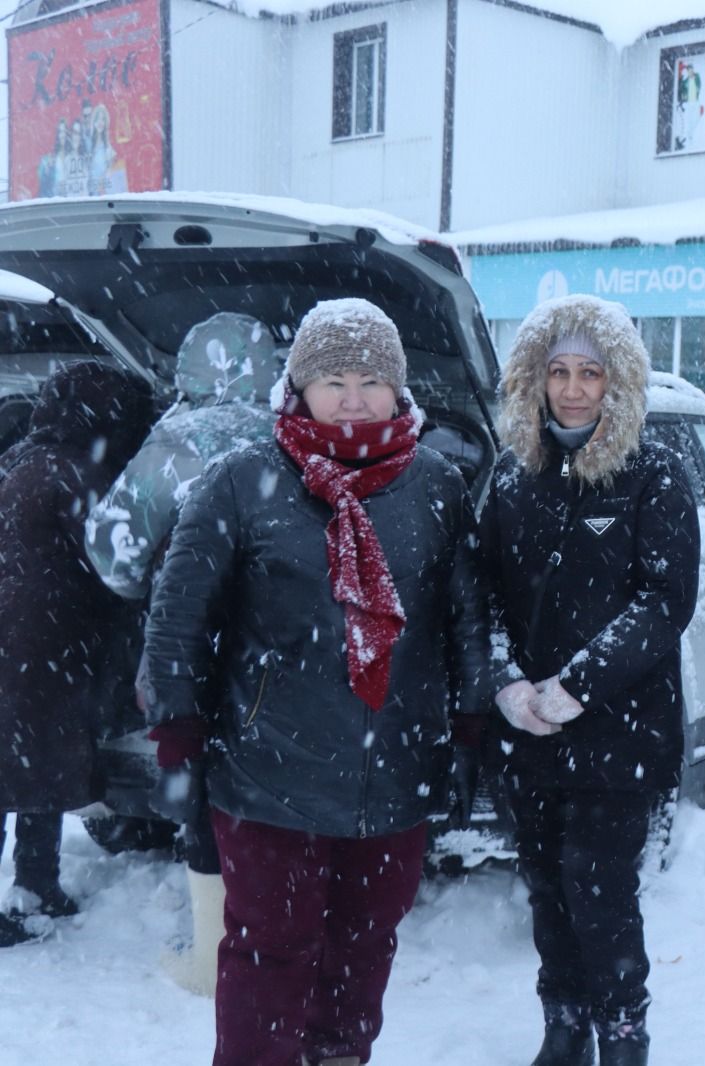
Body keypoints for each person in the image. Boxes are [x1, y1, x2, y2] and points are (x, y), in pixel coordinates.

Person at [138, 299, 489, 1066]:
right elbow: (178, 613)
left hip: (395, 772)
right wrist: (177, 723)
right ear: (298, 388)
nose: (354, 397)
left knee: (361, 957)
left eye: (371, 380)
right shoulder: (242, 480)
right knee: (271, 952)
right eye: (333, 379)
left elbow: (464, 617)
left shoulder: (436, 486)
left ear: (400, 392)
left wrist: (468, 726)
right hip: (271, 777)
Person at [481, 294, 700, 1066]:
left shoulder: (653, 477)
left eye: (591, 374)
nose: (573, 389)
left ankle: (622, 1029)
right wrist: (508, 684)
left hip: (621, 731)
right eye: (559, 372)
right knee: (545, 883)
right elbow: (480, 596)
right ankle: (564, 1021)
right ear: (535, 380)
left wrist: (579, 683)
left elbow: (664, 599)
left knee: (599, 889)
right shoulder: (512, 477)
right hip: (531, 732)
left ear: (620, 382)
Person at [84, 311, 281, 997]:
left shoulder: (172, 445)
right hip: (285, 655)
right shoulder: (296, 436)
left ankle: (214, 950)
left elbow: (113, 557)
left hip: (189, 650)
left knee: (202, 792)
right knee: (274, 790)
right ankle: (282, 934)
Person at [0, 361, 157, 949]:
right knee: (35, 769)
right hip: (44, 647)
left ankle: (33, 890)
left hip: (17, 643)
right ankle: (34, 893)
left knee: (16, 765)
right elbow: (116, 568)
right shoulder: (82, 475)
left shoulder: (20, 458)